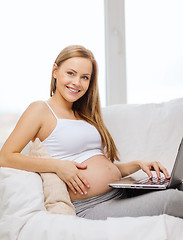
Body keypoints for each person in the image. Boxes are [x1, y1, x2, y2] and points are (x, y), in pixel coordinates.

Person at [0, 45, 183, 220]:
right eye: (70, 73)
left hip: (120, 191)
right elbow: (5, 157)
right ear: (55, 71)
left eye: (85, 77)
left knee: (177, 190)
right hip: (91, 205)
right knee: (173, 201)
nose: (77, 82)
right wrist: (57, 166)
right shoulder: (40, 110)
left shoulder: (84, 116)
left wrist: (138, 164)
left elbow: (98, 166)